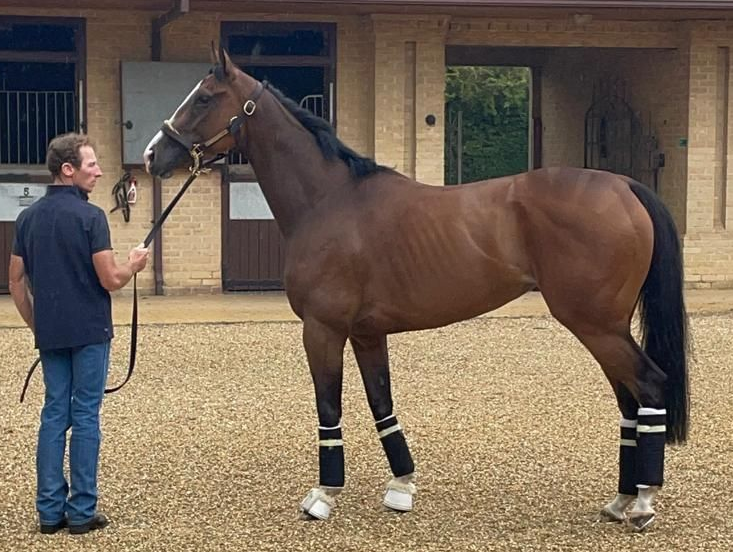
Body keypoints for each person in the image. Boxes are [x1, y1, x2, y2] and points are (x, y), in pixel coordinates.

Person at [8, 133, 149, 535]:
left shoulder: (27, 218)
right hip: (89, 330)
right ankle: (82, 511)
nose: (99, 171)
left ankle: (50, 513)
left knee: (54, 414)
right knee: (85, 414)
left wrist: (36, 323)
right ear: (67, 170)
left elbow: (16, 280)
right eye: (91, 165)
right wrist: (134, 264)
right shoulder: (91, 218)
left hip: (51, 333)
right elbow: (110, 279)